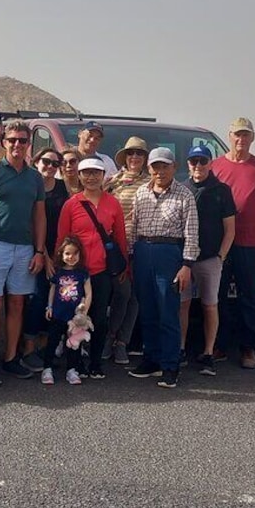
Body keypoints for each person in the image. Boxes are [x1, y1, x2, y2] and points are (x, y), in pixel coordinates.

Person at [0, 120, 46, 386]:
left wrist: (39, 251)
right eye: (13, 140)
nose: (17, 145)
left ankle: (11, 358)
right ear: (4, 141)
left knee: (17, 303)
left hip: (25, 248)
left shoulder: (35, 177)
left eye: (23, 141)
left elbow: (39, 216)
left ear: (29, 144)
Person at [127, 147, 199, 388]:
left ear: (174, 167)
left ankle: (170, 365)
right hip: (142, 251)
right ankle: (152, 359)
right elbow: (133, 225)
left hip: (170, 253)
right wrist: (129, 254)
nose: (160, 171)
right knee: (147, 310)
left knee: (168, 311)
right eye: (155, 166)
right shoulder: (141, 193)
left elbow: (191, 233)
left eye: (164, 166)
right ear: (149, 168)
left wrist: (187, 264)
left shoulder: (184, 195)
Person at [211, 117, 255, 370]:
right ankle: (218, 344)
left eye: (246, 135)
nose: (241, 140)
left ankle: (248, 347)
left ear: (252, 138)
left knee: (249, 295)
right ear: (229, 136)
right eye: (237, 135)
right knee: (217, 296)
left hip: (250, 243)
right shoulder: (215, 166)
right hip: (220, 244)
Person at [56, 156, 128, 379]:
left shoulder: (112, 203)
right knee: (74, 319)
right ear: (79, 176)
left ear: (104, 175)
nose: (91, 177)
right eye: (86, 172)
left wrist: (124, 265)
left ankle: (95, 363)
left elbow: (120, 237)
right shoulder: (72, 204)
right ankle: (74, 364)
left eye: (96, 172)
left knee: (99, 318)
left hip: (101, 271)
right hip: (75, 274)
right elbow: (62, 238)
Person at [178, 145, 235, 377]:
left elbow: (230, 229)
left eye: (203, 161)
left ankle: (209, 352)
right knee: (183, 304)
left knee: (210, 305)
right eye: (194, 161)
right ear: (188, 164)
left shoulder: (221, 191)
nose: (198, 166)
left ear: (211, 163)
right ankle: (180, 349)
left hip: (210, 258)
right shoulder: (182, 189)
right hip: (185, 260)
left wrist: (221, 256)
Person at [21, 148, 69, 372]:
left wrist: (59, 255)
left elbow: (65, 222)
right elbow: (30, 223)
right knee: (37, 299)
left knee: (53, 301)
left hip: (58, 253)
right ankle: (28, 350)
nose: (50, 167)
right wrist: (45, 255)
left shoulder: (62, 188)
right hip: (34, 251)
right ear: (36, 162)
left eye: (55, 164)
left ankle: (43, 349)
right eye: (46, 162)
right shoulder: (29, 185)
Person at [103, 136, 150, 364]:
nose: (134, 158)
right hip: (116, 248)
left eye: (139, 154)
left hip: (139, 246)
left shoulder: (151, 182)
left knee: (134, 297)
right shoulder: (112, 182)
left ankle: (122, 342)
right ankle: (110, 337)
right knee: (121, 294)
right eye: (131, 153)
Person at [41, 236, 91, 385]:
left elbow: (88, 293)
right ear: (61, 254)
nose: (71, 257)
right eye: (67, 253)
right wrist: (49, 306)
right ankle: (47, 368)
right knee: (52, 342)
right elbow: (53, 289)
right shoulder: (58, 272)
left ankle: (72, 370)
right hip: (58, 314)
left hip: (75, 317)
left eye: (75, 253)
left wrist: (84, 312)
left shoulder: (83, 273)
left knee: (74, 344)